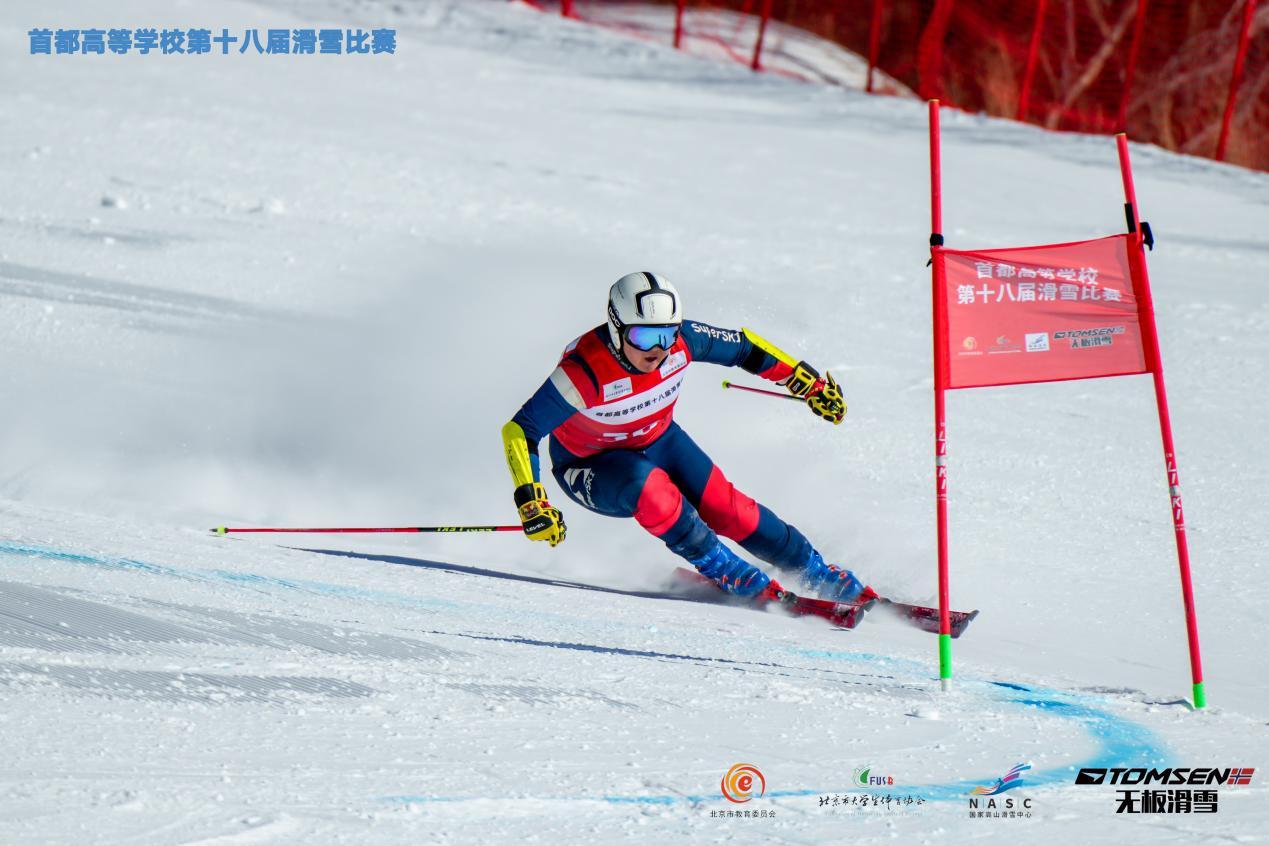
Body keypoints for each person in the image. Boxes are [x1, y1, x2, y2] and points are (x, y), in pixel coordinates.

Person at [500, 271, 870, 603]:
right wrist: (531, 500)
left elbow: (745, 348)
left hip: (658, 441)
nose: (658, 349)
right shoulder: (584, 372)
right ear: (616, 327)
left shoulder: (684, 342)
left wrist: (806, 383)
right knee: (651, 489)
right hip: (589, 464)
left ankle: (814, 571)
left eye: (667, 334)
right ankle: (724, 568)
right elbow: (521, 429)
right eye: (644, 336)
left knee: (729, 510)